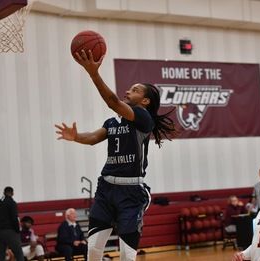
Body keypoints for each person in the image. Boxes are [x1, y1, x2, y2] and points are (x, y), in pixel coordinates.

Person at [55, 49, 176, 261]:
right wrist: (76, 137)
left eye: (135, 90)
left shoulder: (143, 118)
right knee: (92, 251)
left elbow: (112, 101)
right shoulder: (113, 122)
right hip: (106, 189)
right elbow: (93, 138)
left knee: (126, 256)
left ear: (145, 101)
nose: (128, 91)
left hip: (131, 192)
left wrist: (93, 73)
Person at [0, 187, 24, 261]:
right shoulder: (12, 203)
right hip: (10, 231)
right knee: (19, 254)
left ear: (4, 193)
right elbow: (14, 218)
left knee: (1, 254)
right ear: (12, 193)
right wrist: (17, 230)